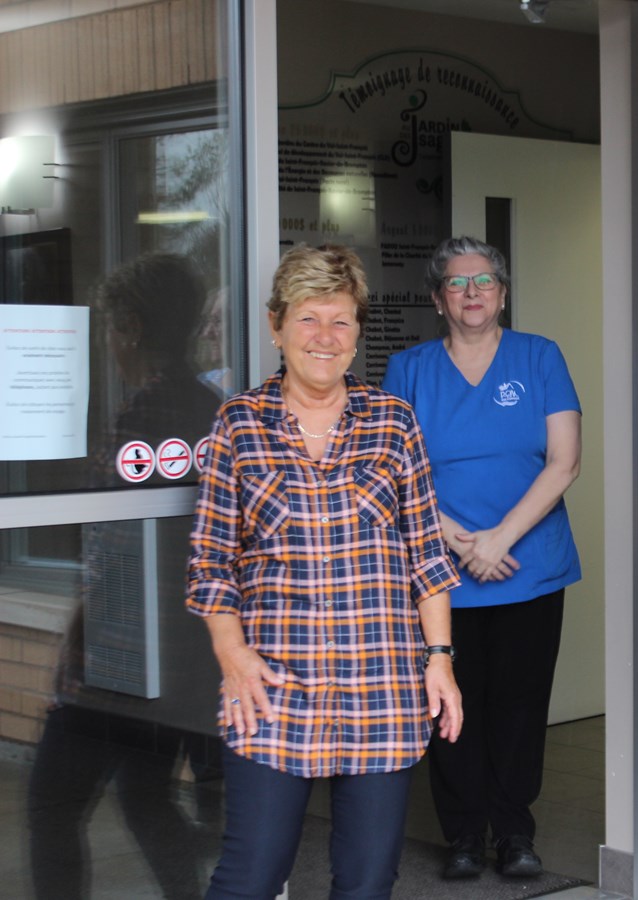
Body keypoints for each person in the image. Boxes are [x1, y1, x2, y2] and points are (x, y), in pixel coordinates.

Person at [185, 243, 463, 899]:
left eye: (340, 321)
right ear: (276, 325)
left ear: (358, 330)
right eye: (309, 319)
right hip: (273, 687)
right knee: (251, 876)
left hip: (380, 688)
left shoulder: (392, 422)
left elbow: (427, 553)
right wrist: (231, 655)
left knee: (367, 881)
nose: (325, 337)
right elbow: (211, 561)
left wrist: (440, 659)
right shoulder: (239, 425)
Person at [382, 236, 582, 880]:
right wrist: (460, 542)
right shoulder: (409, 368)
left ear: (503, 291)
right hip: (441, 572)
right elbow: (393, 469)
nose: (473, 293)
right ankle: (464, 835)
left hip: (529, 567)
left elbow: (564, 461)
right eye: (458, 283)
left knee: (521, 705)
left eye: (485, 280)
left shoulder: (539, 356)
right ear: (438, 298)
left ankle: (515, 834)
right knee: (450, 705)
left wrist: (498, 539)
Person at [28, 253, 222, 899]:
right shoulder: (212, 410)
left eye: (111, 327)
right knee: (146, 798)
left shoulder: (138, 419)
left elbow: (112, 558)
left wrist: (72, 661)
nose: (108, 343)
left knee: (52, 806)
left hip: (120, 667)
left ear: (132, 329)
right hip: (185, 662)